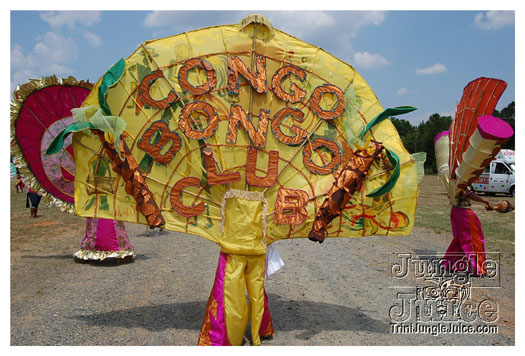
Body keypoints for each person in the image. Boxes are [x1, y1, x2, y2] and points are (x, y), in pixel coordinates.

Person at [442, 187, 493, 276]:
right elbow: (468, 193)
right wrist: (485, 201)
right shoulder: (463, 177)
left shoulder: (452, 178)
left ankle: (450, 264)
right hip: (464, 212)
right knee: (474, 239)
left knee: (460, 239)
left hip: (456, 210)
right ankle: (476, 268)